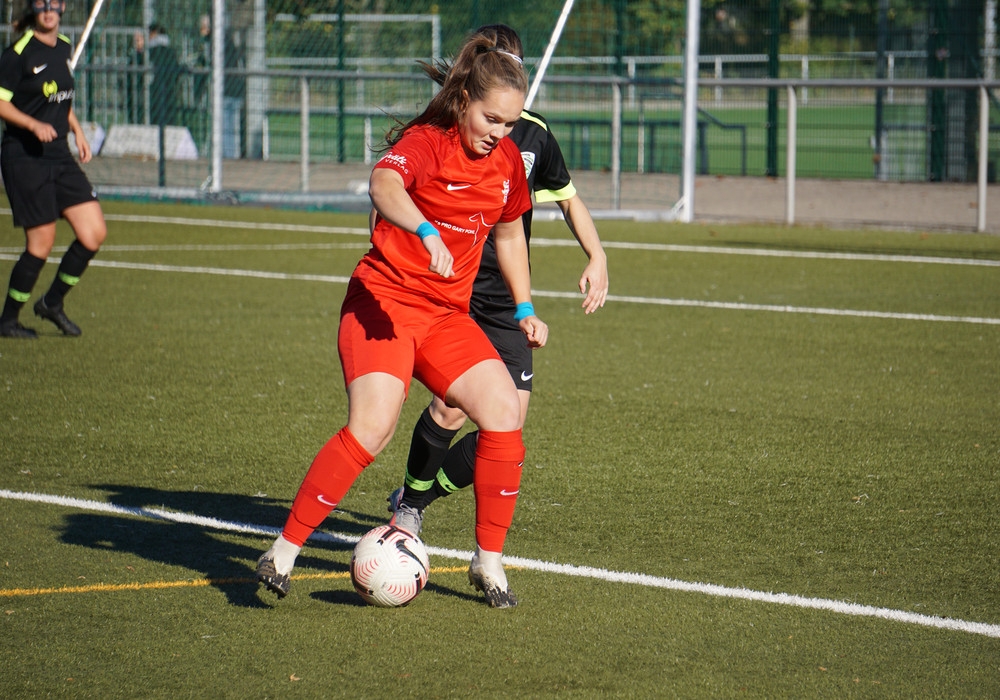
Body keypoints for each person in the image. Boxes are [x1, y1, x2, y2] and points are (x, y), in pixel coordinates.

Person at [255, 27, 546, 609]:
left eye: (510, 123)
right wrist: (425, 230)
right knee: (372, 429)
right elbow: (384, 184)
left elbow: (511, 234)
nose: (499, 133)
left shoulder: (508, 162)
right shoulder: (427, 142)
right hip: (383, 304)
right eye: (491, 119)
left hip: (444, 317)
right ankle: (282, 552)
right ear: (464, 101)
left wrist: (525, 307)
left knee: (503, 414)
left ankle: (488, 561)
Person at [387, 25, 609, 536]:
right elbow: (396, 185)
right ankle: (410, 510)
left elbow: (568, 198)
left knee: (508, 423)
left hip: (507, 298)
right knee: (450, 409)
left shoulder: (532, 134)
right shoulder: (447, 128)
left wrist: (597, 254)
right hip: (455, 290)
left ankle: (417, 497)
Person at [0, 0, 107, 339]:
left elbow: (61, 97)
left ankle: (51, 303)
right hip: (25, 157)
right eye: (41, 3)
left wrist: (77, 131)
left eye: (54, 3)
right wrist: (32, 124)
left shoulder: (63, 46)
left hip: (59, 154)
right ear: (33, 9)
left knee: (93, 233)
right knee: (41, 244)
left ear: (63, 8)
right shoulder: (18, 54)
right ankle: (8, 320)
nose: (48, 9)